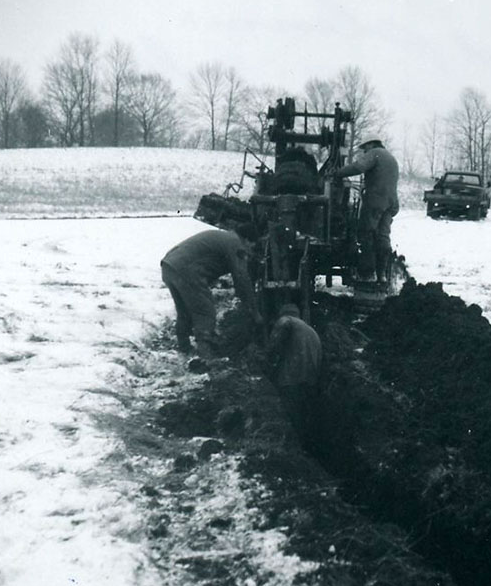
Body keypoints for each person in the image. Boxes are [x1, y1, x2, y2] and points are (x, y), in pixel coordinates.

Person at [160, 228, 262, 358]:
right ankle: (206, 357)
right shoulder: (236, 243)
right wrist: (253, 310)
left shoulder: (224, 237)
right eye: (252, 247)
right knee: (205, 313)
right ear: (247, 240)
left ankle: (184, 349)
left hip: (169, 266)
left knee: (184, 311)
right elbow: (241, 276)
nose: (250, 252)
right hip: (186, 271)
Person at [334, 135, 399, 282]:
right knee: (382, 236)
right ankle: (381, 274)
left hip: (376, 201)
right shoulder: (390, 158)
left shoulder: (375, 153)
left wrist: (338, 173)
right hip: (391, 203)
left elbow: (358, 167)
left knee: (366, 234)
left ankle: (367, 274)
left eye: (364, 149)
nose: (364, 152)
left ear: (370, 145)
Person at [266, 304, 323, 448]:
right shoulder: (310, 330)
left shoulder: (287, 320)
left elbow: (275, 344)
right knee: (303, 413)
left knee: (291, 412)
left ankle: (294, 445)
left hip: (291, 377)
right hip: (310, 379)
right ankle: (306, 445)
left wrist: (268, 358)